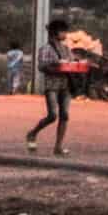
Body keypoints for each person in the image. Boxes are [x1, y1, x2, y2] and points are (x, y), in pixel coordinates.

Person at [26, 19, 73, 156]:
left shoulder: (66, 49)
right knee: (52, 115)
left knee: (64, 115)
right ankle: (33, 133)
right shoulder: (45, 49)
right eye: (63, 31)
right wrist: (56, 65)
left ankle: (58, 147)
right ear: (56, 32)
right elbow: (41, 66)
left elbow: (71, 63)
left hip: (66, 84)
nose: (65, 34)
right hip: (52, 85)